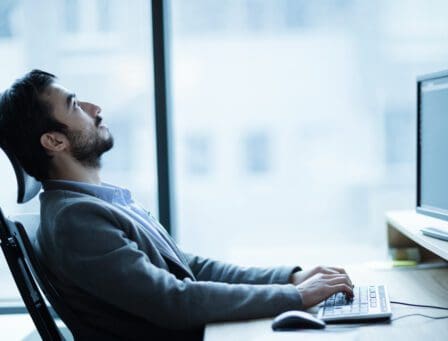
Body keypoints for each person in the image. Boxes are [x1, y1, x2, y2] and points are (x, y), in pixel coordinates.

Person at [0, 70, 353, 340]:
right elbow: (172, 301)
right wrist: (293, 297)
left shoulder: (92, 202)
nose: (95, 108)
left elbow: (187, 267)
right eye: (75, 105)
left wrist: (289, 279)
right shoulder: (76, 220)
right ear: (54, 140)